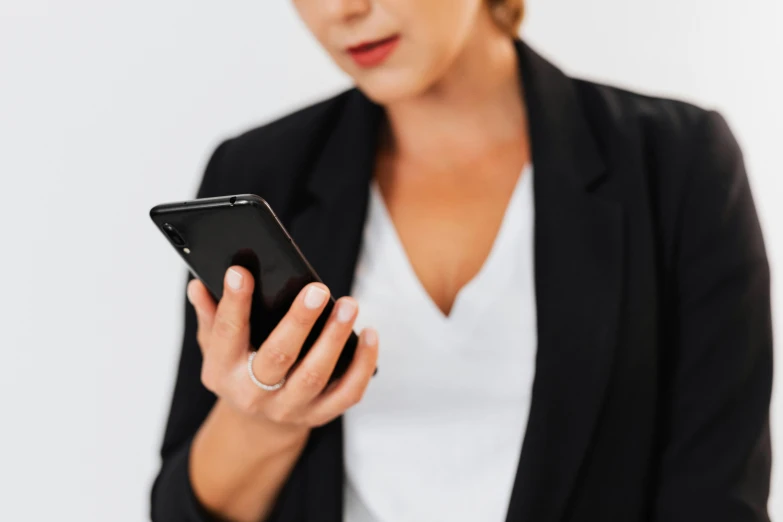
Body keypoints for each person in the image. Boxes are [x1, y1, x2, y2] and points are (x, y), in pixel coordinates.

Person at [150, 0, 773, 521]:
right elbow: (178, 509)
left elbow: (719, 497)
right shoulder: (260, 173)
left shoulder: (678, 166)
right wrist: (262, 422)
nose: (344, 10)